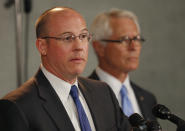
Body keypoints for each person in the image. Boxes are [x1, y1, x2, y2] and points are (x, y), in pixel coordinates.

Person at [0, 7, 131, 131]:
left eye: (83, 36)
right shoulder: (17, 107)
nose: (79, 47)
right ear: (42, 46)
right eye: (68, 38)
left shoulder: (103, 92)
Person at [89, 8, 157, 121]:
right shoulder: (83, 97)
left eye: (137, 39)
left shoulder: (148, 99)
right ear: (99, 47)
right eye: (124, 39)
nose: (134, 47)